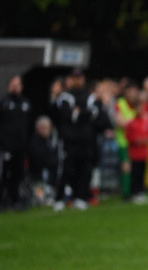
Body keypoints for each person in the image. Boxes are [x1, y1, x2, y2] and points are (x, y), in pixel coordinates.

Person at [54, 68, 100, 209]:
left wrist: (79, 113)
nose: (77, 80)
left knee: (84, 169)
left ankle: (80, 197)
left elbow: (95, 113)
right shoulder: (65, 96)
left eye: (79, 77)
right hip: (70, 140)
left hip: (85, 140)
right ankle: (59, 198)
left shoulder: (90, 96)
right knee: (67, 169)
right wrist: (82, 114)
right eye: (74, 78)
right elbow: (68, 115)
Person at [118, 80, 148, 204]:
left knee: (140, 169)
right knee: (129, 169)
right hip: (125, 142)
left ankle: (138, 192)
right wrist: (134, 119)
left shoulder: (143, 105)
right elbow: (120, 123)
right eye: (130, 90)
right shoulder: (121, 103)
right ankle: (128, 193)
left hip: (141, 148)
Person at [0, 75, 32, 210]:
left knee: (18, 174)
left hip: (21, 147)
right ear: (9, 86)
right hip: (6, 146)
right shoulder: (4, 103)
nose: (15, 87)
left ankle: (16, 200)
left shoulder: (26, 103)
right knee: (4, 175)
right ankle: (3, 201)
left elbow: (28, 125)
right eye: (13, 84)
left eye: (18, 84)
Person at [27, 115, 61, 206]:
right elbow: (38, 160)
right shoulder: (34, 142)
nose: (47, 130)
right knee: (39, 197)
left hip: (51, 174)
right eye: (44, 128)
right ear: (38, 128)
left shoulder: (51, 141)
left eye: (48, 128)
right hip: (38, 176)